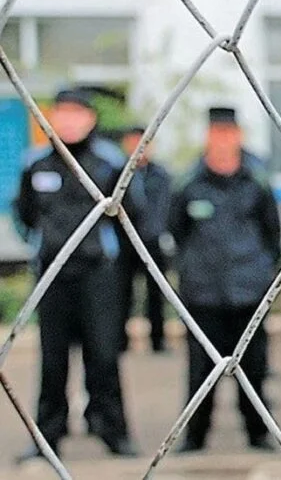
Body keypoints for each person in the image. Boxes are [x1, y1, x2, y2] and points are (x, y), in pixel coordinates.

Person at [14, 89, 140, 461]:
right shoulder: (36, 164)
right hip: (52, 275)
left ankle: (113, 430)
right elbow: (25, 216)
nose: (68, 121)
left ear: (90, 118)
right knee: (52, 360)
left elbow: (131, 215)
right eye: (61, 113)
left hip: (98, 275)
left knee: (103, 355)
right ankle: (47, 437)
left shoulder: (109, 163)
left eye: (76, 113)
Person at [169, 107, 280, 453]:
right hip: (203, 295)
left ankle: (258, 433)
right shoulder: (188, 183)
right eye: (216, 134)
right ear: (207, 137)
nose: (222, 141)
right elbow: (176, 231)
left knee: (254, 367)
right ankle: (195, 436)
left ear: (239, 136)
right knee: (200, 370)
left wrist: (259, 272)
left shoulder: (257, 181)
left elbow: (272, 234)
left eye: (228, 133)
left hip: (249, 293)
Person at [118, 126, 172, 354]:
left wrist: (158, 232)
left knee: (156, 294)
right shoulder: (117, 173)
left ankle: (158, 341)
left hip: (152, 240)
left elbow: (166, 208)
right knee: (122, 293)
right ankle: (119, 342)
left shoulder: (161, 175)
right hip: (124, 242)